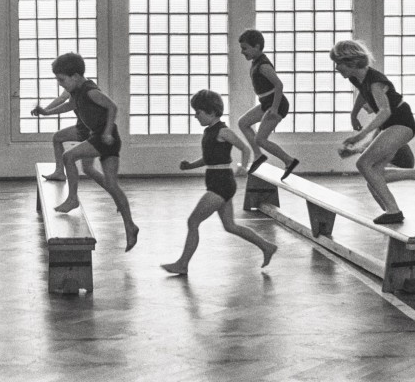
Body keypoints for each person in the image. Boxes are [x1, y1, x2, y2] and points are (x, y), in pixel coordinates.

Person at [161, 90, 277, 275]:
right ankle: (266, 246)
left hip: (221, 184)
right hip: (217, 181)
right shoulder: (209, 132)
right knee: (230, 226)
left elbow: (245, 148)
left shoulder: (224, 131)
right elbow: (209, 158)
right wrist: (190, 166)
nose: (195, 116)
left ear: (212, 112)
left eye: (198, 112)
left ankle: (183, 264)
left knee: (193, 222)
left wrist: (243, 167)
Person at [33, 52, 138, 251]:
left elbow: (112, 107)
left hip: (105, 138)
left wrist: (107, 131)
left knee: (69, 157)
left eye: (62, 79)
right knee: (99, 176)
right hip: (97, 136)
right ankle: (130, 226)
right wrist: (46, 112)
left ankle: (72, 199)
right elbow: (69, 105)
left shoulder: (90, 90)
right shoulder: (77, 92)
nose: (60, 84)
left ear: (74, 76)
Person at [330, 39, 415, 224]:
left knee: (363, 165)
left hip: (401, 122)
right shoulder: (358, 77)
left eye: (338, 63)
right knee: (373, 176)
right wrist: (354, 115)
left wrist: (360, 136)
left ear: (351, 62)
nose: (336, 68)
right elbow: (363, 93)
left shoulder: (375, 81)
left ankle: (393, 211)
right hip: (390, 124)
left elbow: (385, 111)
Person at [237, 29, 299, 180]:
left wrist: (275, 108)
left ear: (257, 47)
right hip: (267, 102)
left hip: (277, 104)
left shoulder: (263, 65)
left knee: (260, 139)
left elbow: (279, 85)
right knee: (243, 123)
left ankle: (289, 160)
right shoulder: (256, 62)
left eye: (245, 48)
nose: (242, 52)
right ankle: (258, 155)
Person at [31, 89, 90, 181]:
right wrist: (44, 111)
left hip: (88, 128)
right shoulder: (73, 86)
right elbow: (62, 98)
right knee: (88, 169)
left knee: (88, 169)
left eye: (62, 79)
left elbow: (68, 104)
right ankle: (60, 172)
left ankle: (61, 174)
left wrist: (45, 112)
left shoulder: (82, 88)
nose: (60, 84)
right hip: (84, 126)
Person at [338, 100, 415, 168]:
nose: (362, 107)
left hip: (403, 162)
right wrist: (354, 151)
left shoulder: (390, 116)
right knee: (369, 174)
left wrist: (356, 149)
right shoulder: (383, 121)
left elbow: (377, 148)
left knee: (367, 166)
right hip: (397, 159)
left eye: (364, 103)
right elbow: (372, 142)